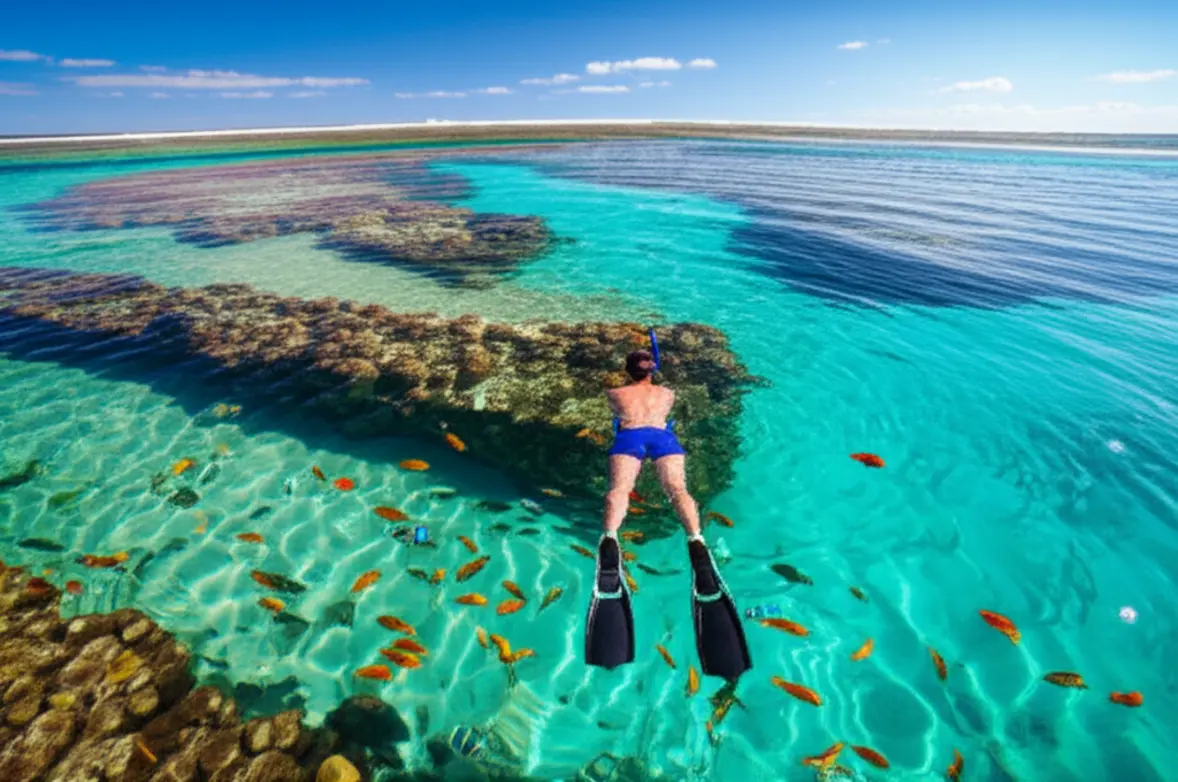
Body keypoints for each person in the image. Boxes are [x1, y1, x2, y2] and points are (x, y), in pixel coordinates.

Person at [584, 348, 752, 680]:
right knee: (678, 491)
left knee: (619, 491)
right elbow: (661, 405)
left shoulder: (614, 393)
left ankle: (610, 537)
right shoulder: (667, 393)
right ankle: (695, 538)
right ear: (653, 369)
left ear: (627, 370)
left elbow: (616, 412)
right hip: (663, 438)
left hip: (630, 436)